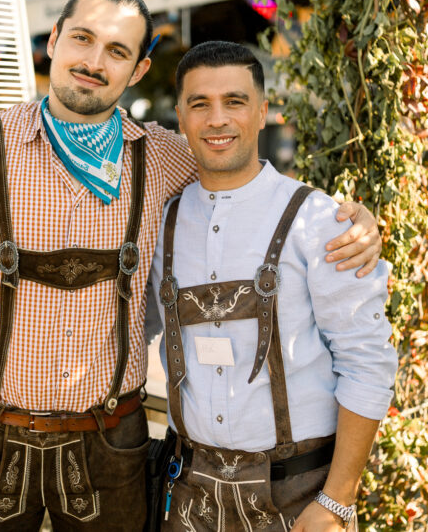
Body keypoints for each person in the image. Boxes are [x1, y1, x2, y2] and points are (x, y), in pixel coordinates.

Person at [0, 0, 381, 531]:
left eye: (117, 51)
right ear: (54, 40)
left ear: (137, 70)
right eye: (82, 38)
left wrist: (349, 219)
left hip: (111, 446)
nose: (93, 61)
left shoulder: (160, 156)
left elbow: (252, 181)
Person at [147, 41, 398, 531]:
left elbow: (366, 360)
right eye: (200, 104)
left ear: (263, 112)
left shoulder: (321, 221)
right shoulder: (161, 224)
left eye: (235, 102)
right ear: (181, 117)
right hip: (188, 491)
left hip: (298, 495)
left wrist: (338, 500)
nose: (217, 119)